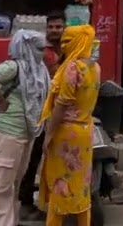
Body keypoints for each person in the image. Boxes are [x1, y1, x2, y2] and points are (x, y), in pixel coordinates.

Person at [0, 30, 51, 226]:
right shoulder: (13, 67)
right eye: (38, 48)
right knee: (3, 183)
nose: (42, 52)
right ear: (27, 48)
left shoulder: (39, 70)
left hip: (27, 131)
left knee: (15, 181)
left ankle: (11, 220)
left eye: (42, 48)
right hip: (8, 130)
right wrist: (1, 100)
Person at [39, 24, 102, 226]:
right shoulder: (95, 67)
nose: (64, 46)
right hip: (85, 130)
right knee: (82, 185)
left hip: (65, 132)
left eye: (68, 41)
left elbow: (60, 106)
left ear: (78, 42)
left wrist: (48, 135)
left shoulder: (72, 68)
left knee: (60, 184)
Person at [19, 11, 67, 221]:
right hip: (40, 109)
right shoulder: (39, 49)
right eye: (52, 27)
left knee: (60, 158)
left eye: (59, 27)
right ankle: (26, 200)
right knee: (34, 156)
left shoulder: (70, 48)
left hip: (63, 110)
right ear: (46, 29)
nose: (55, 30)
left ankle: (54, 201)